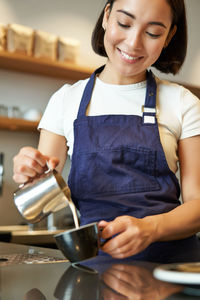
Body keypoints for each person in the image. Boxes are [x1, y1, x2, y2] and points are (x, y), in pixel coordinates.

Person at [13, 0, 200, 262]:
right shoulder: (66, 100)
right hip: (92, 266)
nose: (134, 42)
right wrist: (28, 173)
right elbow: (39, 204)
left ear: (169, 36)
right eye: (124, 23)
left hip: (168, 268)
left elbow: (198, 205)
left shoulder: (182, 102)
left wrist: (151, 229)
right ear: (106, 16)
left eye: (153, 33)